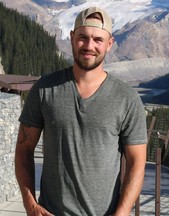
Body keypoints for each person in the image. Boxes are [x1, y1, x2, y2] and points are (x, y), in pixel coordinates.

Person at [15, 6, 147, 216]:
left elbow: (137, 164)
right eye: (83, 38)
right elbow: (23, 150)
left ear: (109, 44)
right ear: (72, 37)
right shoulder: (44, 89)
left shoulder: (127, 99)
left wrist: (121, 213)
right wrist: (30, 204)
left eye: (98, 40)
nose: (89, 46)